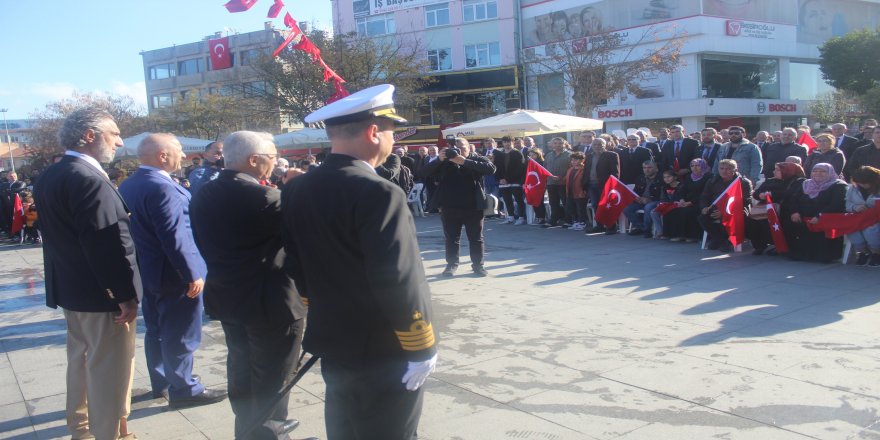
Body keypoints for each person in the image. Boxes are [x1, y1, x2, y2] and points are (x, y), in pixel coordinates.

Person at [281, 84, 437, 439]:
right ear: (373, 132)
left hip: (333, 336)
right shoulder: (380, 191)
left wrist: (319, 306)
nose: (392, 143)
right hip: (383, 345)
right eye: (391, 133)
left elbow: (294, 263)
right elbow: (399, 277)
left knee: (346, 428)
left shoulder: (298, 188)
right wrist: (421, 344)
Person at [190, 131, 308, 439]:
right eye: (271, 158)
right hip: (270, 303)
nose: (275, 164)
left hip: (228, 297)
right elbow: (307, 232)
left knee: (242, 373)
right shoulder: (264, 198)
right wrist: (297, 189)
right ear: (253, 160)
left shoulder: (205, 191)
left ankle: (246, 432)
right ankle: (270, 434)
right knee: (273, 379)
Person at [34, 108, 141, 440]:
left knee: (81, 365)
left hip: (72, 290)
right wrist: (123, 294)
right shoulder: (87, 177)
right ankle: (108, 434)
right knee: (109, 370)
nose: (120, 142)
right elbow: (108, 243)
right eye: (114, 134)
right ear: (91, 135)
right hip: (101, 295)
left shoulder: (52, 174)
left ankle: (82, 431)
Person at [117, 134, 227, 409]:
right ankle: (185, 388)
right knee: (181, 331)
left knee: (156, 328)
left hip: (149, 270)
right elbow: (174, 236)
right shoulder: (162, 187)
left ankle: (162, 381)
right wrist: (191, 273)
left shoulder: (131, 183)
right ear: (162, 155)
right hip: (175, 273)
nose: (183, 156)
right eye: (178, 150)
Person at [424, 137, 496, 276]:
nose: (459, 151)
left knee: (476, 238)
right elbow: (423, 172)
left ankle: (478, 266)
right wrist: (439, 159)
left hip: (473, 206)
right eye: (455, 148)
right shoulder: (445, 162)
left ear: (469, 148)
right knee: (451, 238)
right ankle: (451, 265)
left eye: (462, 147)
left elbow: (491, 169)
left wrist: (464, 161)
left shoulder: (477, 159)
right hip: (449, 206)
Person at [782, 162, 848, 262]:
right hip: (803, 219)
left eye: (822, 171)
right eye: (815, 171)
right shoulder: (805, 184)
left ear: (830, 173)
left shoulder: (838, 186)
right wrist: (795, 212)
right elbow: (794, 199)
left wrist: (819, 216)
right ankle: (800, 253)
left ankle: (824, 256)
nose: (818, 173)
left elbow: (836, 204)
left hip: (825, 219)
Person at [746, 162, 805, 256]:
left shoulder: (797, 181)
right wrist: (760, 195)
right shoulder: (770, 181)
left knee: (778, 221)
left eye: (777, 170)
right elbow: (756, 193)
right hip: (765, 207)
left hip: (785, 208)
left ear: (787, 171)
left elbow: (791, 194)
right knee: (751, 221)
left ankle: (779, 245)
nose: (774, 172)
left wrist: (772, 194)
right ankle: (759, 245)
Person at [698, 159, 753, 252]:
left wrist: (725, 211)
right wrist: (704, 207)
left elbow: (746, 201)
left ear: (735, 170)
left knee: (726, 217)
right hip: (717, 207)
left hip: (737, 209)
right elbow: (704, 197)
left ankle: (725, 241)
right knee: (702, 217)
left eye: (728, 169)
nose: (724, 171)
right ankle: (720, 239)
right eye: (721, 168)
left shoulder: (744, 182)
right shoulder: (712, 181)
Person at [663, 158, 712, 242]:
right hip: (687, 201)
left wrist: (690, 202)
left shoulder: (708, 177)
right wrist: (682, 200)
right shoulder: (689, 177)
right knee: (672, 210)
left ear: (703, 166)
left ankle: (693, 236)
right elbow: (682, 190)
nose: (694, 168)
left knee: (688, 212)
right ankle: (677, 234)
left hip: (702, 202)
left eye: (697, 165)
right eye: (692, 166)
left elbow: (705, 194)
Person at [582, 138, 620, 234]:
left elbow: (615, 172)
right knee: (595, 205)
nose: (597, 146)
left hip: (605, 185)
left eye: (600, 144)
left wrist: (612, 185)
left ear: (605, 145)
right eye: (595, 144)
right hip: (591, 184)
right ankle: (599, 225)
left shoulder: (612, 155)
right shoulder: (589, 156)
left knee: (607, 205)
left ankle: (611, 227)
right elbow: (586, 170)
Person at [845, 166, 880, 266]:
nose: (862, 185)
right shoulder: (853, 189)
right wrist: (855, 207)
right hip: (858, 218)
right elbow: (848, 205)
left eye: (865, 182)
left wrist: (871, 206)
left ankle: (876, 253)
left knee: (870, 229)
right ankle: (864, 252)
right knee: (852, 231)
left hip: (875, 219)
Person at [494, 135, 528, 225]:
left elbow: (520, 169)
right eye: (505, 142)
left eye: (508, 142)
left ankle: (521, 217)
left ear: (512, 142)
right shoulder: (499, 154)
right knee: (507, 199)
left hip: (515, 181)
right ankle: (511, 217)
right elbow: (496, 167)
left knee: (518, 199)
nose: (506, 144)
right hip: (503, 181)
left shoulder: (517, 153)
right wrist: (500, 178)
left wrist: (508, 179)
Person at [624, 160, 662, 237]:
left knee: (648, 207)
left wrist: (650, 200)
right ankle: (641, 227)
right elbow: (635, 192)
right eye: (644, 168)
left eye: (649, 167)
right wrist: (637, 198)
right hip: (642, 201)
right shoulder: (640, 178)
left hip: (656, 201)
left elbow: (663, 195)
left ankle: (647, 230)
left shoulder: (661, 178)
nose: (646, 170)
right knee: (627, 209)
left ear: (656, 168)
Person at [543, 137, 572, 227]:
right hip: (551, 183)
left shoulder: (569, 155)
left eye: (560, 143)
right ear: (552, 145)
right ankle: (553, 220)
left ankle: (568, 221)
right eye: (555, 143)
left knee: (566, 202)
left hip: (564, 183)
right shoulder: (548, 155)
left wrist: (563, 178)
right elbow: (545, 168)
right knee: (553, 203)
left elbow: (572, 169)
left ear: (564, 144)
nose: (557, 145)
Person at [650, 170, 682, 239]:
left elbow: (680, 197)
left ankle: (669, 233)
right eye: (664, 177)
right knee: (653, 212)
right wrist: (663, 204)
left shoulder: (681, 186)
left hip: (678, 204)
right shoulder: (664, 187)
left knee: (670, 212)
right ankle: (660, 231)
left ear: (675, 177)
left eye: (669, 177)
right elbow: (663, 199)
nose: (666, 179)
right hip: (668, 204)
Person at [562, 152, 588, 231]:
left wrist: (584, 191)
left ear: (582, 160)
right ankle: (576, 222)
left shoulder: (584, 169)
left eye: (576, 160)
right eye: (572, 160)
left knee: (580, 208)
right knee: (571, 208)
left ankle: (582, 222)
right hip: (570, 192)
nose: (573, 161)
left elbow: (585, 181)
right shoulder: (570, 169)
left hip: (580, 192)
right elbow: (566, 179)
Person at [527, 148, 548, 224]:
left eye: (534, 155)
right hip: (531, 185)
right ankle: (538, 216)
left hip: (540, 185)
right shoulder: (529, 163)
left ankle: (542, 217)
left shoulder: (542, 163)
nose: (532, 156)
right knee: (533, 201)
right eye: (530, 155)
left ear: (538, 155)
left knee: (539, 201)